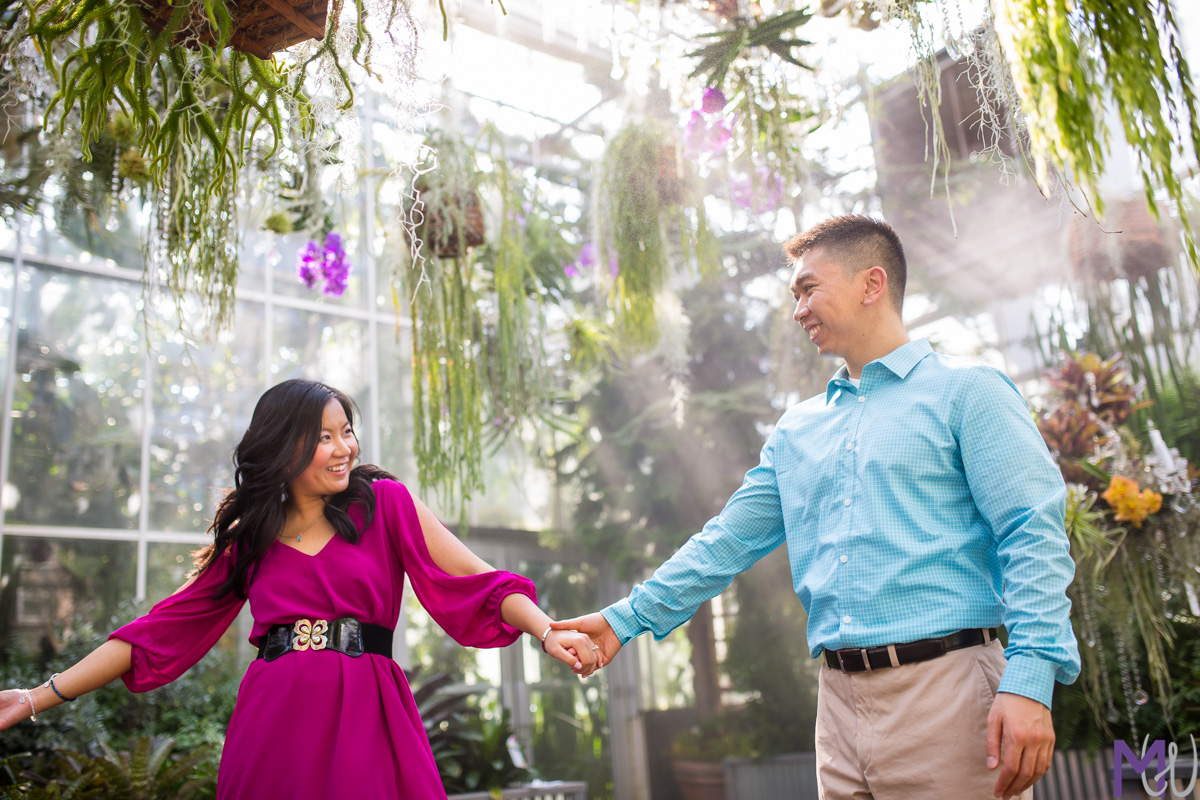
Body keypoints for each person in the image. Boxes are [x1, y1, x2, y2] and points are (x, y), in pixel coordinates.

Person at [555, 215, 1081, 800]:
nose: (798, 308)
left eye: (809, 288)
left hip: (950, 696)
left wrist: (1030, 681)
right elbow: (726, 541)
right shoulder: (797, 429)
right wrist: (624, 620)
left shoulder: (970, 394)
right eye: (794, 294)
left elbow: (1031, 533)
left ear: (871, 284)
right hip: (837, 707)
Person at [0, 378, 599, 798]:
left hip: (370, 710)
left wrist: (545, 629)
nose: (344, 450)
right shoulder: (250, 537)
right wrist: (36, 697)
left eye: (347, 432)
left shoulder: (383, 503)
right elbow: (157, 632)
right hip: (274, 718)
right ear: (283, 446)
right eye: (324, 437)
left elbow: (480, 582)